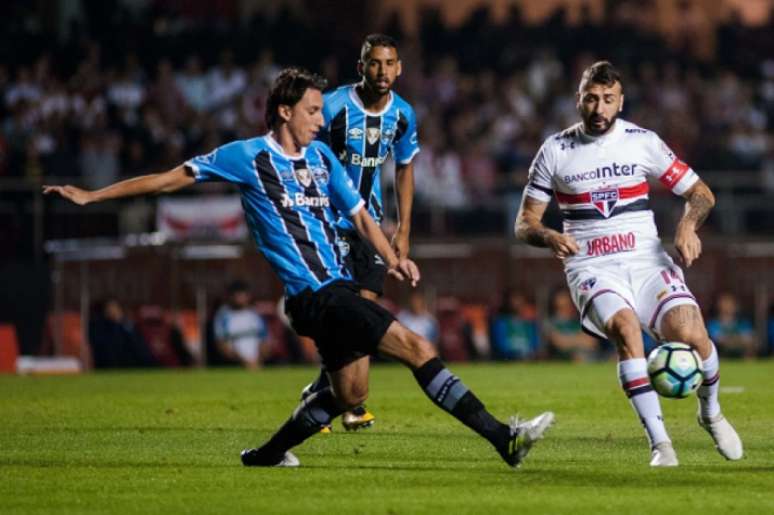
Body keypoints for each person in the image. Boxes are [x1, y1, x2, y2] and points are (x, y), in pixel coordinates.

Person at [44, 67, 553, 468]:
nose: (320, 118)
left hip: (335, 289)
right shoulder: (246, 156)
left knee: (349, 392)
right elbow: (167, 180)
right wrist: (92, 196)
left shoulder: (324, 160)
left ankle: (266, 455)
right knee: (418, 348)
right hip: (316, 294)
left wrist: (395, 258)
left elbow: (360, 216)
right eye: (312, 110)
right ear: (285, 112)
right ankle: (503, 439)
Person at [515, 61, 742, 466]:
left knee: (694, 335)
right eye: (591, 99)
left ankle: (711, 413)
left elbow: (702, 194)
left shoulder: (643, 141)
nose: (598, 108)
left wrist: (688, 227)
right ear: (579, 100)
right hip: (591, 267)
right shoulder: (555, 150)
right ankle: (661, 444)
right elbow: (525, 222)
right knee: (625, 328)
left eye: (607, 99)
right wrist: (549, 235)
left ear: (620, 101)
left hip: (647, 261)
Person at [301, 34, 421, 431]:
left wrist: (403, 229)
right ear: (361, 66)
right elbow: (302, 151)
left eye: (389, 63)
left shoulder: (403, 114)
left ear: (399, 68)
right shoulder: (333, 106)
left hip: (370, 226)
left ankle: (324, 394)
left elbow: (405, 168)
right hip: (329, 221)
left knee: (364, 308)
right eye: (374, 63)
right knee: (345, 309)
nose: (382, 71)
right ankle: (346, 403)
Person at [212, 280, 269, 369]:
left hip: (257, 364)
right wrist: (243, 361)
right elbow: (221, 344)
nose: (240, 298)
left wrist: (259, 360)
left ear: (248, 296)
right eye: (237, 295)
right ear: (230, 296)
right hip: (234, 365)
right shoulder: (223, 315)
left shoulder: (255, 314)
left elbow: (264, 340)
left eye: (242, 295)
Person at [543, 289, 600, 362]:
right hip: (561, 363)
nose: (567, 307)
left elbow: (592, 343)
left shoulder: (582, 321)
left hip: (588, 361)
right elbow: (560, 343)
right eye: (563, 306)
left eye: (568, 303)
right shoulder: (549, 323)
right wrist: (579, 338)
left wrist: (568, 339)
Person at [489, 290, 540, 360]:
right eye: (514, 300)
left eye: (520, 300)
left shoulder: (529, 323)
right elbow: (501, 344)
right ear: (508, 302)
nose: (517, 303)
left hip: (528, 358)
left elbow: (534, 342)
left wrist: (528, 352)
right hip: (507, 358)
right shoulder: (501, 322)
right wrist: (514, 352)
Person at [706, 292, 757, 359]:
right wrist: (739, 340)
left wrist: (730, 340)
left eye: (730, 303)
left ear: (735, 306)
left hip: (742, 358)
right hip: (722, 358)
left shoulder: (743, 323)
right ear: (719, 305)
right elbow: (719, 341)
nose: (727, 306)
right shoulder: (713, 324)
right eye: (725, 303)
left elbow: (750, 339)